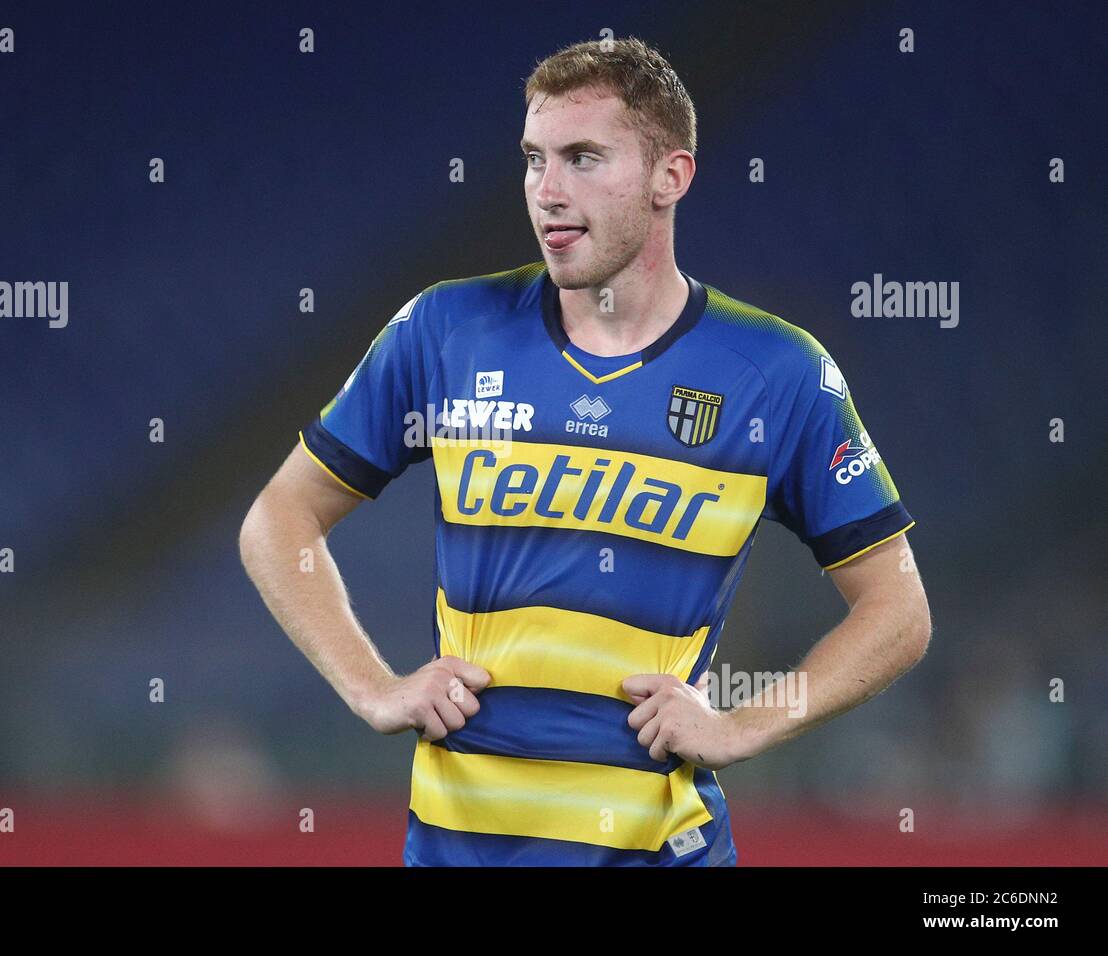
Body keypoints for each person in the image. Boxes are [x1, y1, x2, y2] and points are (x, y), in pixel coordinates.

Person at [239, 36, 931, 866]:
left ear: (669, 177)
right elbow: (280, 517)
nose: (547, 191)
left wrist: (744, 724)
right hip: (455, 850)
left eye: (583, 157)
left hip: (660, 849)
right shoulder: (444, 332)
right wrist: (372, 686)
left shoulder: (775, 373)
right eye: (534, 160)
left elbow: (898, 611)